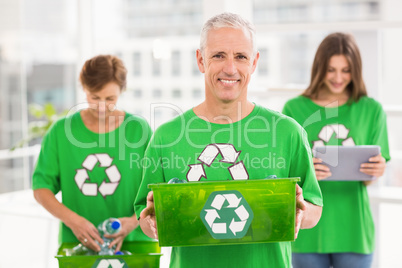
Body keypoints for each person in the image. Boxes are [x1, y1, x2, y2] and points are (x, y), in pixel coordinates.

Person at [134, 13, 323, 267]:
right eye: (219, 55)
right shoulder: (166, 137)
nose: (230, 68)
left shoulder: (288, 132)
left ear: (254, 62)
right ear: (201, 60)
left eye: (241, 57)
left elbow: (314, 208)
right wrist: (152, 222)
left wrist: (300, 213)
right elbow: (144, 217)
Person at [282, 32, 390, 268]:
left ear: (356, 70)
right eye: (331, 69)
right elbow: (284, 171)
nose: (338, 78)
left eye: (346, 70)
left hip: (353, 229)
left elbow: (369, 180)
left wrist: (376, 170)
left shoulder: (371, 110)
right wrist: (307, 172)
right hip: (308, 229)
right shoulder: (294, 109)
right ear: (319, 68)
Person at [32, 55, 153, 252]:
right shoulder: (61, 132)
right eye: (94, 97)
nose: (102, 106)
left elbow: (157, 186)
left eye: (110, 99)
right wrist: (73, 221)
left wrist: (133, 221)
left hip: (136, 244)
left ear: (121, 91)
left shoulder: (138, 130)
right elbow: (41, 188)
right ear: (84, 89)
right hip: (78, 246)